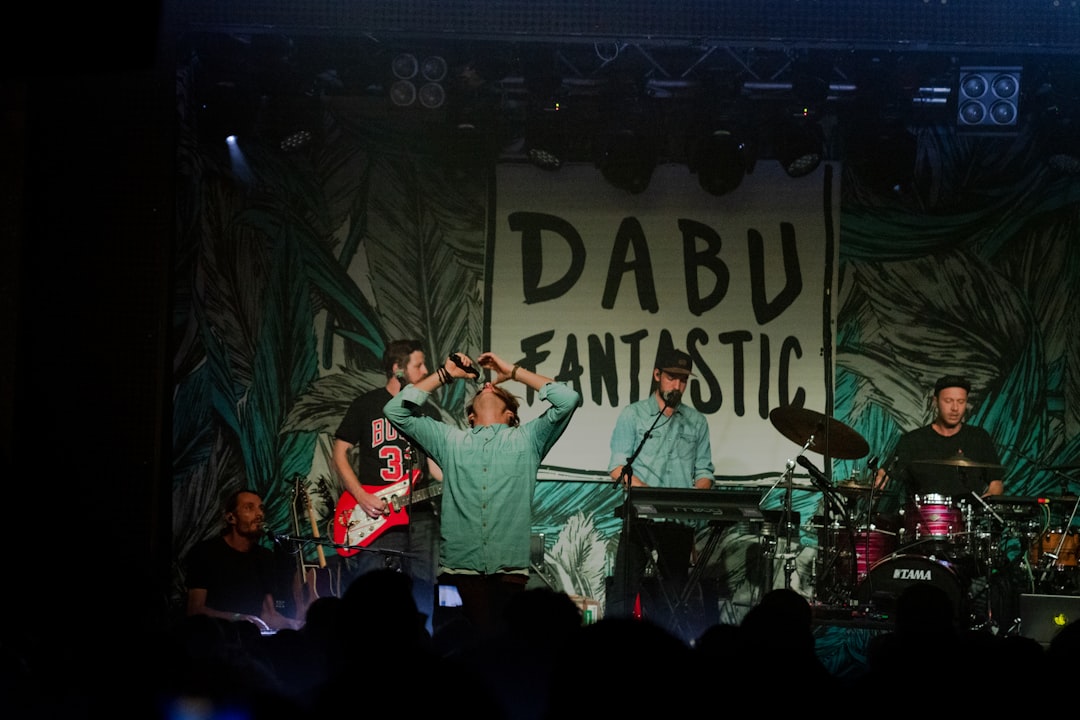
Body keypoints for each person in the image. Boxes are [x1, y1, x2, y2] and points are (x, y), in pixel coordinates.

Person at [383, 350, 581, 642]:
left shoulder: (528, 439)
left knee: (505, 652)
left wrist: (513, 371)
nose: (487, 385)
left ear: (511, 414)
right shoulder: (451, 440)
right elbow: (395, 410)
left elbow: (568, 399)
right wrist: (444, 374)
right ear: (471, 416)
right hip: (458, 571)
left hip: (508, 571)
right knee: (454, 654)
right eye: (483, 388)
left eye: (496, 389)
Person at [331, 338, 443, 633]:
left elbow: (434, 468)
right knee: (374, 595)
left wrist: (464, 477)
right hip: (376, 514)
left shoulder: (428, 412)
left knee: (422, 593)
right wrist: (360, 495)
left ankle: (421, 651)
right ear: (398, 369)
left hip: (419, 517)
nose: (426, 370)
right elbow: (339, 452)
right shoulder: (366, 405)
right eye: (419, 365)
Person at [605, 347, 715, 641]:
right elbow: (618, 467)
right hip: (639, 517)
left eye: (683, 380)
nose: (677, 385)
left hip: (678, 521)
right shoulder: (634, 415)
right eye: (671, 378)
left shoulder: (697, 422)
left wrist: (694, 500)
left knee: (674, 593)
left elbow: (705, 472)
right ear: (657, 376)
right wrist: (648, 496)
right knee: (623, 591)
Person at [184, 488, 303, 633]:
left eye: (260, 509)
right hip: (218, 639)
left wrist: (295, 625)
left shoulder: (264, 557)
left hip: (252, 641)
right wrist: (237, 618)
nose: (259, 514)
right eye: (249, 508)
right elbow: (195, 609)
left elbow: (269, 614)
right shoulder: (205, 552)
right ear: (231, 518)